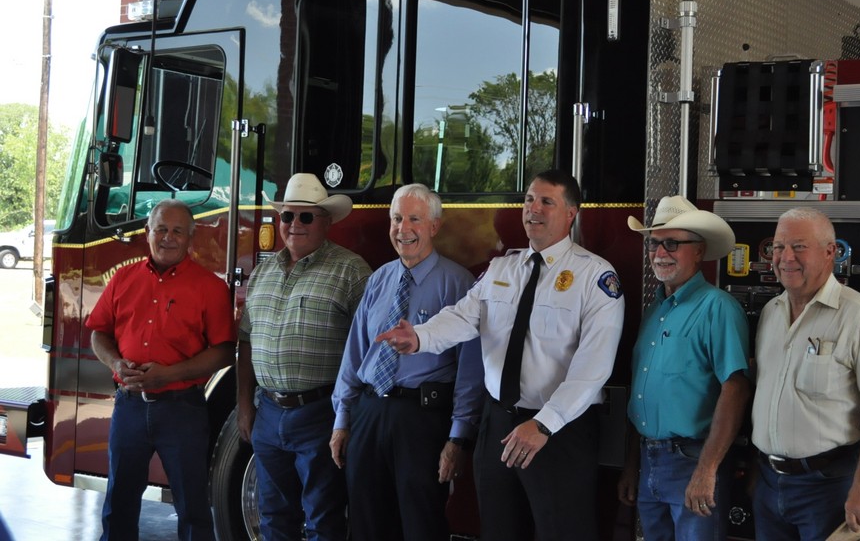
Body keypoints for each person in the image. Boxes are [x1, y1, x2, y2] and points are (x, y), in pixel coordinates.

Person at [376, 169, 625, 541]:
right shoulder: (502, 268)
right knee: (497, 529)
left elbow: (594, 368)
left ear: (571, 213)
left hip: (558, 432)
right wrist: (419, 337)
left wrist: (544, 424)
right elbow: (463, 317)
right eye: (528, 199)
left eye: (546, 201)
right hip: (498, 426)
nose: (533, 209)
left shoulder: (595, 276)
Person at [330, 183, 484, 541]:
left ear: (434, 225)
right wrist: (342, 420)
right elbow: (355, 354)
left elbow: (470, 372)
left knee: (421, 525)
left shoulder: (458, 285)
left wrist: (458, 439)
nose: (403, 229)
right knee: (366, 523)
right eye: (396, 219)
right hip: (369, 413)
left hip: (422, 420)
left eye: (414, 219)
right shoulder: (378, 280)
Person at [86, 199, 236, 541]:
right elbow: (99, 333)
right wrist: (116, 364)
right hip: (129, 407)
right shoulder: (123, 279)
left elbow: (225, 351)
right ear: (147, 233)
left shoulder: (210, 288)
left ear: (191, 238)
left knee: (193, 508)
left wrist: (168, 375)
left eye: (178, 231)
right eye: (161, 229)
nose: (168, 237)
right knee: (118, 503)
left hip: (182, 410)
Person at [236, 172, 371, 541]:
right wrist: (245, 405)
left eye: (306, 217)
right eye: (287, 216)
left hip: (321, 414)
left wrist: (347, 417)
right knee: (274, 518)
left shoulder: (352, 271)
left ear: (326, 222)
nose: (295, 224)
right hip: (268, 414)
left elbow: (369, 347)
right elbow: (246, 342)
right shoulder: (262, 272)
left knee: (323, 519)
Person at [752, 207, 860, 540]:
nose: (785, 257)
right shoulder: (771, 313)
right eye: (778, 247)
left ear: (830, 252)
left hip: (828, 488)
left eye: (799, 246)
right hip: (768, 482)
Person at [617, 196, 751, 541]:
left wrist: (707, 470)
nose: (661, 253)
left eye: (673, 244)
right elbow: (641, 393)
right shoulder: (655, 310)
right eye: (655, 244)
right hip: (650, 459)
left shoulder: (718, 308)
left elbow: (735, 389)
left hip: (693, 459)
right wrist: (632, 465)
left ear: (699, 251)